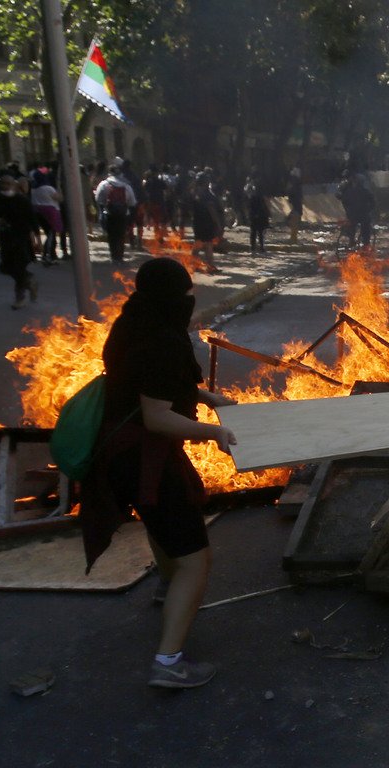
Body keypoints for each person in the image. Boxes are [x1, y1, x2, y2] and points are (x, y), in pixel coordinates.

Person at [78, 258, 238, 689]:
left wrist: (205, 395)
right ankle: (168, 662)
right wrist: (212, 432)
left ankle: (168, 589)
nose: (191, 300)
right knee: (196, 560)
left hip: (120, 454)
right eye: (188, 294)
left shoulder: (132, 323)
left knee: (158, 522)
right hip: (145, 458)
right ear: (177, 297)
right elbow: (157, 417)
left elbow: (146, 383)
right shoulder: (165, 340)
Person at [0, 172, 40, 309]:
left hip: (20, 239)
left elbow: (32, 220)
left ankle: (20, 298)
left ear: (14, 185)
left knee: (19, 267)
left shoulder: (22, 200)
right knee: (6, 267)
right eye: (3, 183)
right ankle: (29, 280)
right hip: (5, 239)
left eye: (8, 183)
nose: (5, 186)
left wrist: (37, 240)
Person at [94, 166, 137, 263]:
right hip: (123, 214)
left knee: (112, 236)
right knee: (121, 235)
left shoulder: (104, 184)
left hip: (110, 214)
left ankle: (114, 257)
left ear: (109, 173)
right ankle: (120, 257)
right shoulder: (126, 185)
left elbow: (98, 199)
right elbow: (132, 202)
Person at [30, 172, 63, 266]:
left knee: (49, 234)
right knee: (51, 234)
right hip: (51, 212)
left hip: (39, 213)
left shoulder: (35, 190)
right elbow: (59, 198)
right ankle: (47, 255)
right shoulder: (48, 188)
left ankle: (51, 255)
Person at [192, 173, 221, 270]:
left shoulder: (195, 193)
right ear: (205, 182)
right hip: (207, 223)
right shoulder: (207, 194)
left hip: (197, 222)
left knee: (198, 243)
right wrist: (217, 223)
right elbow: (211, 209)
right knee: (208, 244)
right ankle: (210, 266)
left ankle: (193, 264)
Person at [244, 173, 270, 254]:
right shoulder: (259, 195)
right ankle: (261, 248)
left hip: (254, 215)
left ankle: (253, 248)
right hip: (260, 215)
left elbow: (248, 206)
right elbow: (264, 204)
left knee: (254, 232)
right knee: (260, 232)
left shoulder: (251, 195)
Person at [286, 167, 303, 243]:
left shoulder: (292, 181)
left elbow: (290, 191)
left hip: (295, 203)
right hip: (296, 203)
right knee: (295, 221)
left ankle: (293, 238)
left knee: (294, 220)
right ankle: (293, 238)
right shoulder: (296, 182)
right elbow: (294, 192)